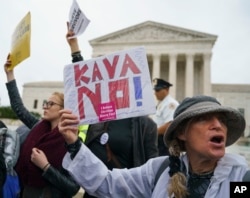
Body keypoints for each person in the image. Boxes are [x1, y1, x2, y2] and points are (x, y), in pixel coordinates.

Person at [58, 95, 249, 198]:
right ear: (182, 133)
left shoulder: (240, 179)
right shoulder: (158, 172)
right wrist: (74, 143)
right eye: (204, 119)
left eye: (222, 120)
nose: (218, 125)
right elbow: (107, 183)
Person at [66, 22, 159, 198]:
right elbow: (87, 82)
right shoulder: (101, 113)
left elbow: (151, 171)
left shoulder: (146, 125)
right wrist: (75, 48)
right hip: (92, 192)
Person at [3, 53, 81, 196]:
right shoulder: (38, 126)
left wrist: (46, 166)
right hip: (23, 191)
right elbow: (18, 107)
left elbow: (73, 188)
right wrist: (10, 74)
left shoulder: (72, 141)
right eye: (45, 103)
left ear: (63, 109)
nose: (45, 107)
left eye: (51, 104)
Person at [152, 78, 179, 156]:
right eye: (155, 90)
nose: (155, 93)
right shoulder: (162, 103)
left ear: (166, 89)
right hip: (159, 140)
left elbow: (170, 125)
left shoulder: (170, 104)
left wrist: (152, 133)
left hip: (165, 141)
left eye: (158, 90)